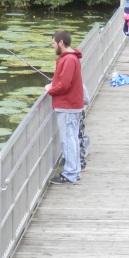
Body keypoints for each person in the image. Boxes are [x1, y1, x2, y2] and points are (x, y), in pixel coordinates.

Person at [44, 30, 84, 184]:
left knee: (68, 140)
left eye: (54, 43)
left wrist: (50, 90)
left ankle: (70, 173)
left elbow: (65, 85)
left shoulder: (68, 60)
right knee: (72, 138)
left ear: (61, 43)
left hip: (67, 106)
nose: (53, 47)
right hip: (72, 105)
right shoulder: (71, 58)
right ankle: (75, 171)